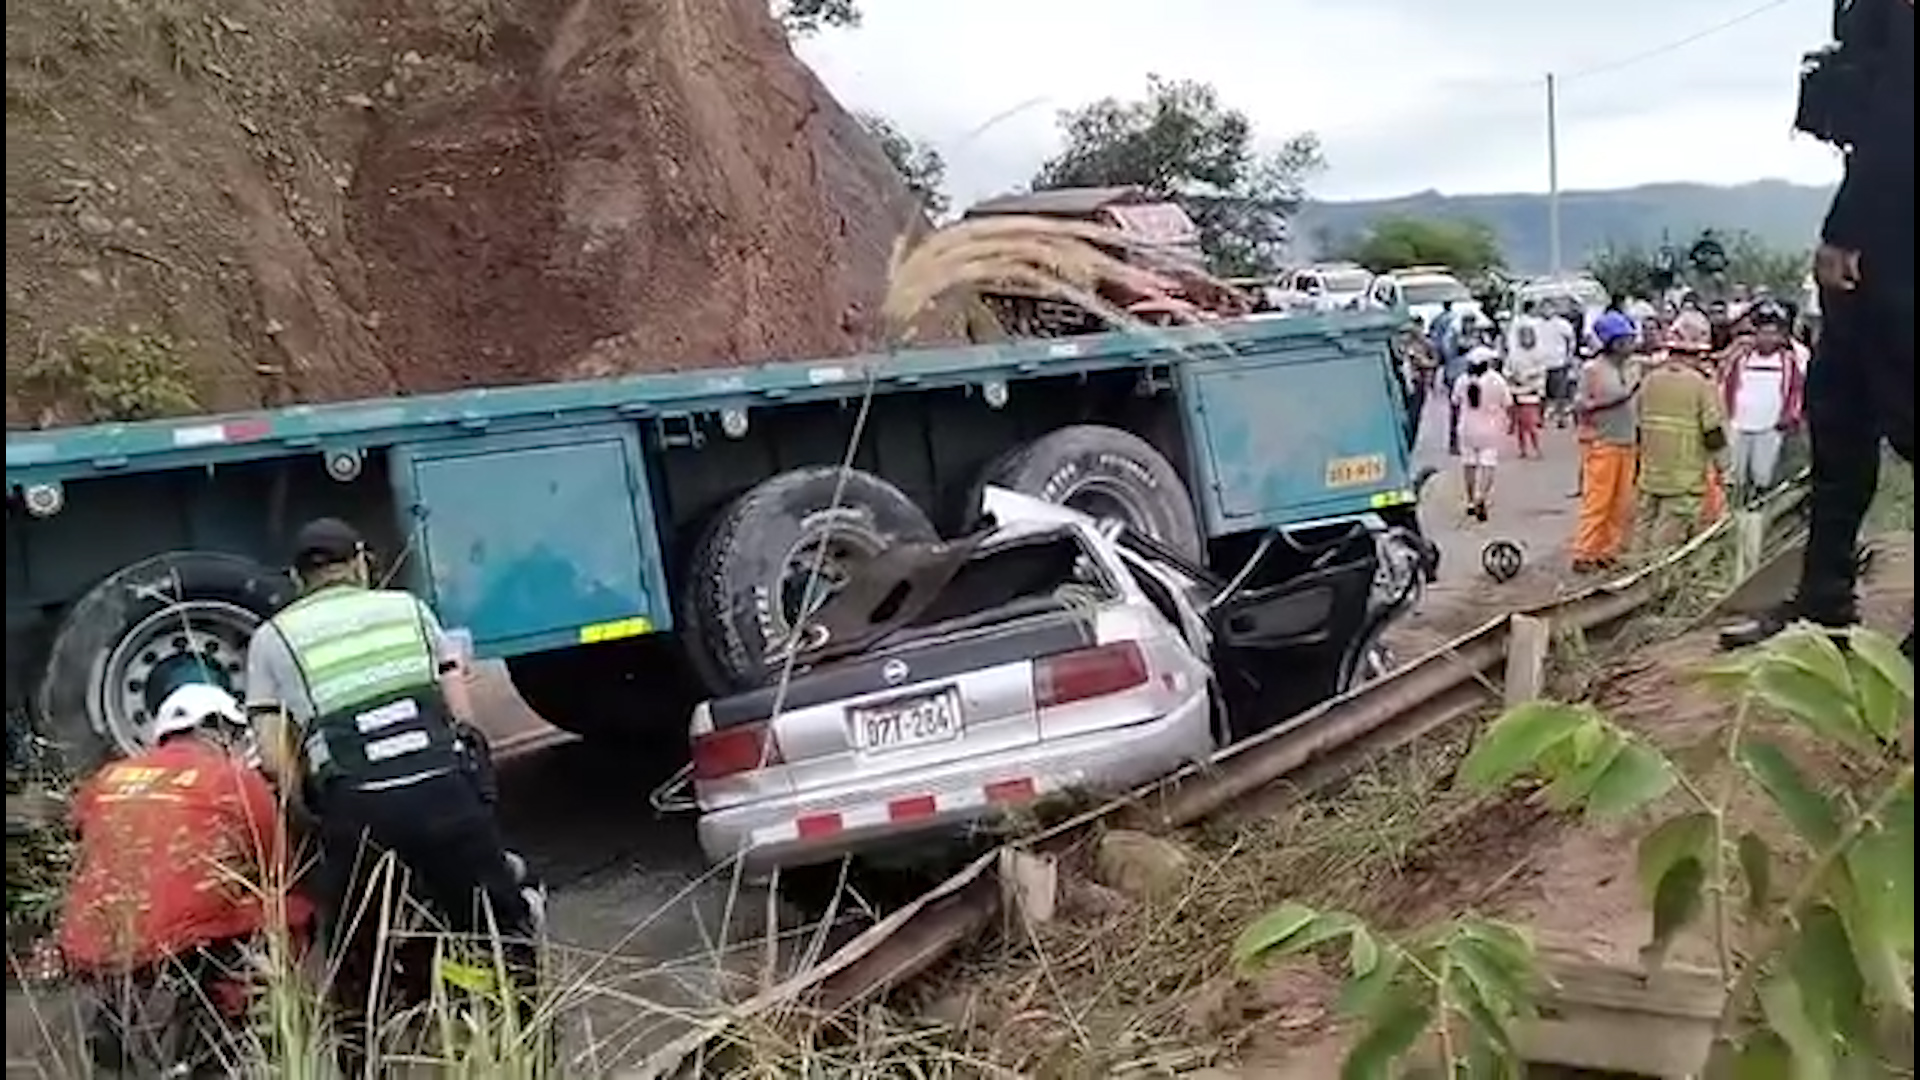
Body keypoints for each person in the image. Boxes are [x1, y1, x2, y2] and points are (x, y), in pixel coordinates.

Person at [245, 517, 533, 1050]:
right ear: (359, 562)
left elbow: (271, 752)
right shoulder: (408, 609)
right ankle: (528, 1036)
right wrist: (470, 763)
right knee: (499, 920)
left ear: (296, 577)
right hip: (443, 790)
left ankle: (366, 1049)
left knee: (356, 948)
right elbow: (459, 708)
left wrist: (307, 809)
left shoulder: (271, 639)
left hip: (358, 809)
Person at [1724, 0, 1913, 657]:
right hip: (1881, 235)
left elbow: (1902, 116)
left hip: (1893, 240)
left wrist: (1844, 229)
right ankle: (1824, 603)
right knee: (1838, 423)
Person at [59, 684, 314, 1070]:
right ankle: (218, 1040)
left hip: (91, 934)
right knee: (281, 906)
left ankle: (113, 1017)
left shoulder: (110, 776)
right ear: (219, 729)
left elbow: (81, 838)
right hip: (181, 939)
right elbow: (278, 868)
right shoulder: (235, 778)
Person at [1636, 330, 1729, 553]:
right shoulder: (1700, 384)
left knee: (1644, 524)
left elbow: (1639, 423)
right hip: (1684, 476)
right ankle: (1660, 579)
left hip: (1651, 472)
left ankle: (1636, 570)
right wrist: (1723, 467)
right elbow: (1712, 431)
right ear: (1692, 355)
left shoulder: (1649, 380)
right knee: (1669, 535)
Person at [1571, 312, 1642, 572]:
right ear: (1611, 342)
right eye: (1625, 340)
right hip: (1602, 441)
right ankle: (1584, 552)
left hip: (1627, 440)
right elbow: (1580, 406)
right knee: (1598, 500)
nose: (1630, 345)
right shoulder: (1592, 370)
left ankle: (1607, 550)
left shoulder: (1630, 366)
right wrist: (1616, 400)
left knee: (1621, 502)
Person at [1719, 301, 1809, 505]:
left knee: (1762, 474)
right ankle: (1732, 508)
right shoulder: (1741, 358)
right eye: (1763, 332)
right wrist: (1725, 415)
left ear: (1780, 336)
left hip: (1770, 426)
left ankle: (1757, 508)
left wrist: (1789, 417)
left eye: (1772, 333)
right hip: (1738, 423)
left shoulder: (1787, 361)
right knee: (1734, 472)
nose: (1767, 338)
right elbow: (1726, 385)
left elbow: (1796, 390)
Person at [1452, 345, 1512, 521]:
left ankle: (1470, 500)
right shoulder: (1497, 380)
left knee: (1469, 464)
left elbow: (1455, 401)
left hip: (1467, 428)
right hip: (1490, 430)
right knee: (1488, 464)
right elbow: (1507, 403)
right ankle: (1481, 496)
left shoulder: (1462, 380)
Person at [1505, 300, 1553, 458]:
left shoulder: (1540, 352)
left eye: (1528, 336)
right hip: (1516, 392)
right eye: (1523, 336)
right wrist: (1513, 377)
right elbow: (1506, 370)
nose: (1526, 339)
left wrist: (1530, 378)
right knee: (1520, 425)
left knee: (1531, 424)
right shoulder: (1514, 354)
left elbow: (1542, 371)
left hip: (1532, 392)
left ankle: (1537, 448)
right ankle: (1522, 449)